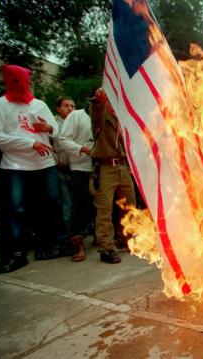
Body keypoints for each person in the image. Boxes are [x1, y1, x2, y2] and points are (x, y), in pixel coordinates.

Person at [0, 64, 69, 273]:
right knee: (15, 208)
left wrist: (49, 128)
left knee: (52, 202)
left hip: (45, 164)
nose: (22, 85)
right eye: (16, 81)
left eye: (24, 81)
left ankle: (50, 246)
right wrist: (30, 143)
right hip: (15, 166)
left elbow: (58, 131)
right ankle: (16, 253)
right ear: (8, 81)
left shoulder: (39, 105)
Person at [89, 88, 136, 264]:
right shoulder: (99, 114)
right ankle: (106, 248)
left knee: (130, 206)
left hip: (122, 167)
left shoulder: (122, 116)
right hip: (105, 168)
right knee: (104, 210)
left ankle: (126, 239)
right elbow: (96, 109)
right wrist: (100, 99)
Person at [58, 106, 94, 261]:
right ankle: (77, 244)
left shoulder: (109, 114)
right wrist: (82, 149)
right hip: (80, 167)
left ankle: (102, 239)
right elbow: (63, 139)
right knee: (79, 205)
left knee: (101, 206)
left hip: (102, 167)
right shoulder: (76, 116)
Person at [54, 97, 75, 228]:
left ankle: (80, 232)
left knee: (77, 201)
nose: (70, 108)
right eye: (66, 105)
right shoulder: (54, 124)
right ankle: (67, 234)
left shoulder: (80, 121)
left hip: (77, 168)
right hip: (59, 168)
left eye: (72, 106)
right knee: (65, 202)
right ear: (58, 109)